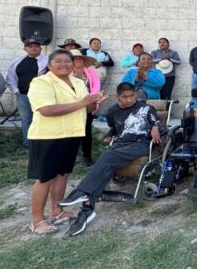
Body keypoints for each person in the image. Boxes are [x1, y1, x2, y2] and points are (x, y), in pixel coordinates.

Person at [59, 82, 165, 236]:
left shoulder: (146, 108)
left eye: (132, 96)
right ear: (117, 97)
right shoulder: (112, 111)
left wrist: (155, 126)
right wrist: (109, 135)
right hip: (121, 144)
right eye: (125, 97)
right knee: (105, 163)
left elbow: (158, 123)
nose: (130, 99)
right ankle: (87, 209)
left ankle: (81, 192)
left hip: (140, 144)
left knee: (106, 156)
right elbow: (115, 128)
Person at [26, 49, 108, 235]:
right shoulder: (41, 82)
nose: (64, 64)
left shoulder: (77, 82)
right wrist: (83, 102)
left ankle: (57, 210)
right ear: (49, 65)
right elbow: (47, 110)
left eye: (67, 61)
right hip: (48, 136)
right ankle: (37, 220)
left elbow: (86, 108)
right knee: (45, 177)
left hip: (72, 134)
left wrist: (95, 101)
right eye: (59, 61)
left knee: (62, 174)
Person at [5, 37, 48, 148]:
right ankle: (28, 143)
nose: (33, 48)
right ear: (25, 49)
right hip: (23, 95)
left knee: (42, 119)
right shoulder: (18, 61)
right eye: (30, 46)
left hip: (41, 96)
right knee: (26, 120)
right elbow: (10, 77)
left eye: (36, 46)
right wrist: (16, 91)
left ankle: (41, 142)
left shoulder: (47, 61)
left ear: (40, 48)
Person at [70, 49, 101, 167]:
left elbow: (96, 87)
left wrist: (90, 100)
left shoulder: (92, 73)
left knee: (86, 131)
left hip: (88, 105)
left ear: (83, 60)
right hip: (72, 105)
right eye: (75, 59)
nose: (78, 60)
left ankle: (87, 156)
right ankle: (71, 155)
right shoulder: (67, 73)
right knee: (72, 131)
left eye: (80, 58)